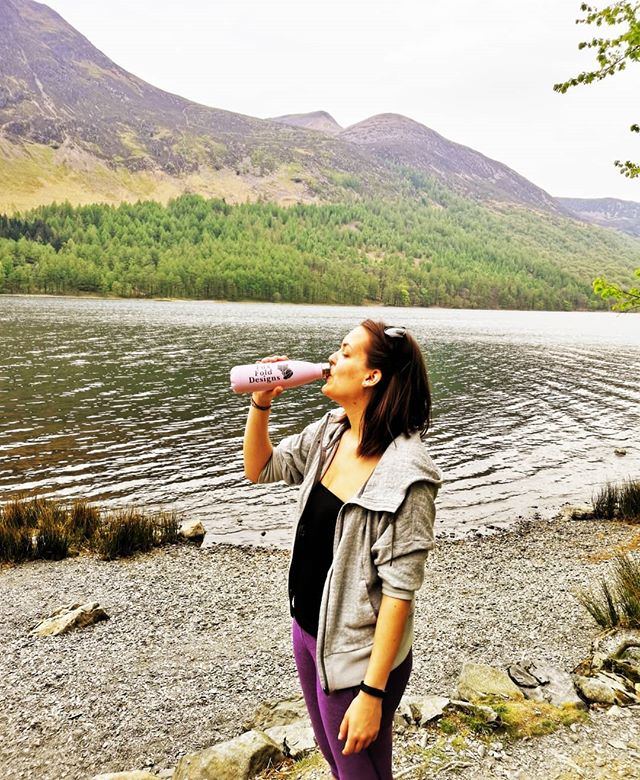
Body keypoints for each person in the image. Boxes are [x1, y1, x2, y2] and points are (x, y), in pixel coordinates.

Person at [243, 319, 442, 780]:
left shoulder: (409, 477)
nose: (333, 357)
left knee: (355, 772)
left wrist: (372, 694)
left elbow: (399, 594)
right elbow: (261, 467)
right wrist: (261, 403)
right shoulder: (332, 432)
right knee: (340, 763)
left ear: (372, 376)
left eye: (345, 351)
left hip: (357, 657)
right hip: (308, 632)